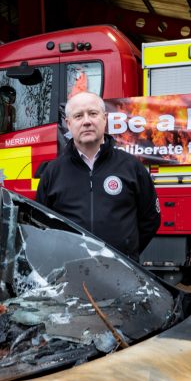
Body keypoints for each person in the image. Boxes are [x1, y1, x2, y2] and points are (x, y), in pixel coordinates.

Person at [36, 91, 160, 259]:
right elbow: (41, 224)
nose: (87, 121)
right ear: (69, 123)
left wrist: (128, 252)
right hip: (70, 273)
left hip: (122, 274)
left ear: (104, 118)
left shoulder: (132, 167)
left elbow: (150, 219)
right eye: (79, 116)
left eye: (93, 113)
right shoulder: (52, 172)